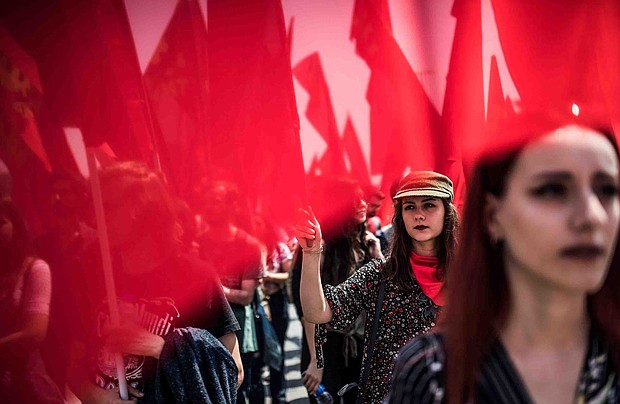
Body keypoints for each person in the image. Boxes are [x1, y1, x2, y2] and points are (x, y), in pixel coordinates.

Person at [389, 112, 620, 403]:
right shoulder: (433, 372)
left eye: (608, 190)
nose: (592, 216)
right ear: (493, 216)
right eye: (553, 190)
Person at [69, 162, 242, 403]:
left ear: (141, 207)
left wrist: (160, 347)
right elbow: (71, 367)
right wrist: (98, 396)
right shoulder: (92, 277)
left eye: (108, 206)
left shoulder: (196, 277)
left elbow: (232, 370)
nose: (97, 217)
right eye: (94, 207)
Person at [296, 171, 460, 402]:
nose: (419, 215)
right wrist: (311, 253)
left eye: (429, 205)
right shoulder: (381, 274)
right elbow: (317, 312)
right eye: (410, 207)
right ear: (400, 216)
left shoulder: (469, 278)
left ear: (447, 212)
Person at [196, 179, 264, 404]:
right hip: (202, 329)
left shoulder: (248, 245)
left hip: (237, 328)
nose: (208, 207)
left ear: (232, 206)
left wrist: (213, 287)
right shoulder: (196, 244)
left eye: (215, 202)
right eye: (205, 202)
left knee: (237, 387)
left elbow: (246, 296)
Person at [0, 200, 64, 403]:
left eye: (0, 222)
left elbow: (34, 333)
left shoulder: (35, 269)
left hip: (28, 386)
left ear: (16, 226)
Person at [255, 213, 293, 404]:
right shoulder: (253, 248)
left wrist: (267, 276)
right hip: (259, 304)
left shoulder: (280, 249)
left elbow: (288, 275)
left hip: (277, 302)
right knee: (260, 352)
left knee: (277, 350)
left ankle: (279, 395)